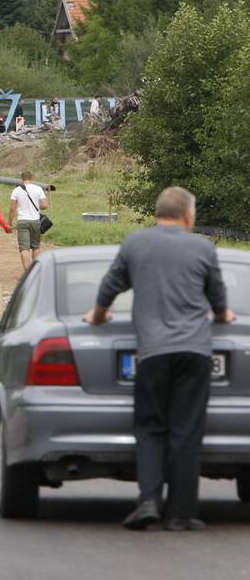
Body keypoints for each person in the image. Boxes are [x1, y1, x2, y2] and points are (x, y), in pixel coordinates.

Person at [84, 187, 235, 531]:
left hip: (152, 352)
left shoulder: (136, 243)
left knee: (151, 427)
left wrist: (97, 315)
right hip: (195, 351)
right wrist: (223, 315)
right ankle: (181, 513)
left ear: (158, 212)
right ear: (188, 214)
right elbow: (217, 293)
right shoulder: (202, 247)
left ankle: (149, 501)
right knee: (186, 431)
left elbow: (111, 285)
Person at [8, 171, 49, 270]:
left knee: (24, 248)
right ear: (32, 178)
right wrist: (38, 207)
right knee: (36, 246)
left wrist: (9, 223)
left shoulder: (16, 190)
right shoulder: (38, 189)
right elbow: (44, 205)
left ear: (22, 179)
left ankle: (27, 272)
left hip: (22, 221)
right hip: (35, 220)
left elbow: (12, 208)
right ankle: (35, 270)